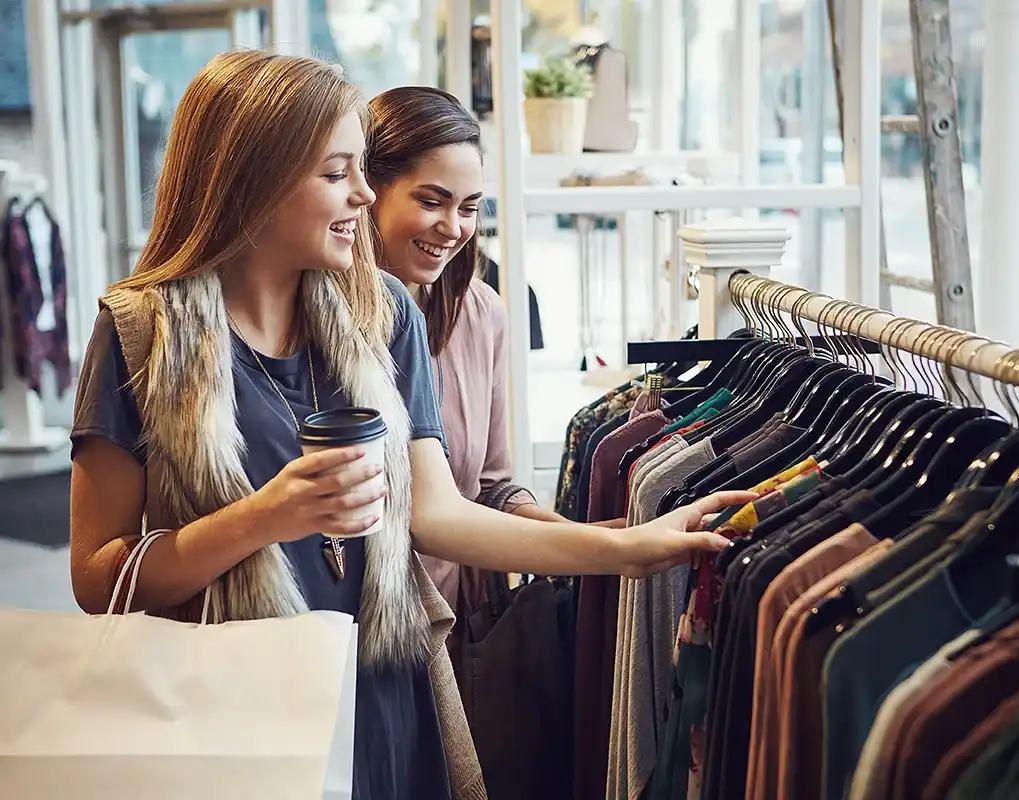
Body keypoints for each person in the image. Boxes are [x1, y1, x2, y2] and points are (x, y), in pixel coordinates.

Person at [68, 50, 747, 800]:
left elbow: (440, 514)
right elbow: (99, 578)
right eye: (336, 173)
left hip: (386, 695)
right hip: (235, 710)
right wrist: (266, 516)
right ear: (250, 178)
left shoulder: (383, 316)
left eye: (362, 168)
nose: (363, 195)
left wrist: (629, 548)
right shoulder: (141, 334)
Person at [364, 85, 599, 613]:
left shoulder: (480, 313)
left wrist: (588, 535)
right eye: (431, 201)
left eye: (469, 208)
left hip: (449, 622)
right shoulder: (317, 318)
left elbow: (492, 486)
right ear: (368, 189)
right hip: (344, 625)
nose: (453, 229)